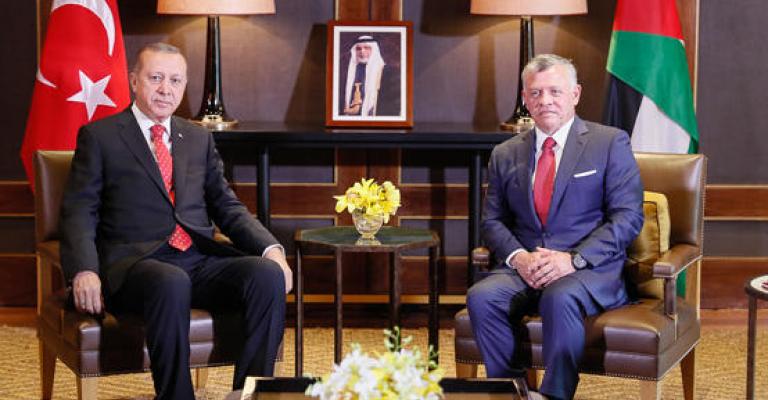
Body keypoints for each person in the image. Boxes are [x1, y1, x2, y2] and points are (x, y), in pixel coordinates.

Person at [59, 42, 292, 400]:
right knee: (170, 280)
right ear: (134, 80)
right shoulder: (101, 137)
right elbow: (79, 211)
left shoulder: (197, 137)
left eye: (175, 80)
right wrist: (84, 270)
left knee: (267, 274)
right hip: (136, 266)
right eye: (156, 78)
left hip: (197, 259)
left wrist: (271, 249)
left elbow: (227, 206)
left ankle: (249, 395)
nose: (166, 89)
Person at [466, 54, 644, 400]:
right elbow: (492, 221)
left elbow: (627, 217)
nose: (545, 100)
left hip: (587, 269)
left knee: (559, 296)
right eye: (535, 93)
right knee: (482, 296)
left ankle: (554, 396)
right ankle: (512, 393)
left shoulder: (609, 143)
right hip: (526, 268)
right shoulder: (505, 153)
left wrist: (573, 260)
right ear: (525, 98)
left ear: (575, 94)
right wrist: (519, 258)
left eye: (555, 91)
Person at [340, 35, 400, 117]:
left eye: (366, 48)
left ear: (374, 50)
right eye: (358, 49)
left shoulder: (387, 71)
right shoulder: (348, 71)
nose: (362, 52)